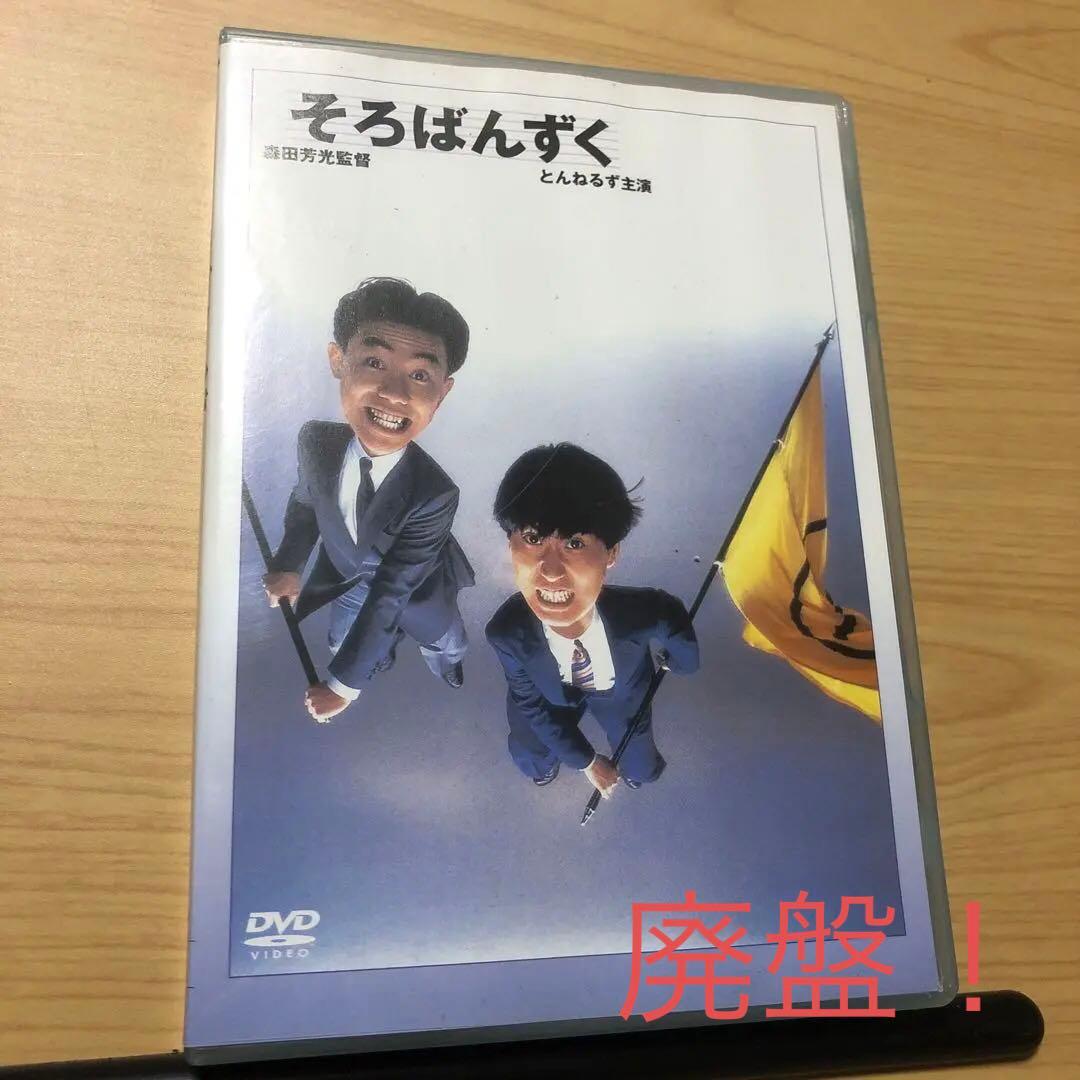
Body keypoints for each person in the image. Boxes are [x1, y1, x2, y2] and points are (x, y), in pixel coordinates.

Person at [263, 277, 474, 723]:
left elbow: (392, 592)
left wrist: (342, 688)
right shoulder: (315, 441)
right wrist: (290, 565)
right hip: (348, 578)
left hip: (413, 587)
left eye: (420, 375)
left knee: (445, 639)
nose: (395, 393)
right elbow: (306, 504)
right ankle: (376, 661)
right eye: (375, 362)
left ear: (443, 392)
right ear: (338, 361)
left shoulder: (436, 492)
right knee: (343, 644)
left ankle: (445, 663)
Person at [485, 443, 699, 799]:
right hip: (546, 697)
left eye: (574, 543)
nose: (550, 571)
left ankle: (636, 771)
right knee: (531, 744)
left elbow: (674, 622)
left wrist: (680, 663)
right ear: (511, 546)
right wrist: (586, 761)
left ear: (611, 552)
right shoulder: (506, 631)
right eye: (533, 538)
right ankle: (541, 767)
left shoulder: (646, 611)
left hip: (618, 694)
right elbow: (532, 706)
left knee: (637, 751)